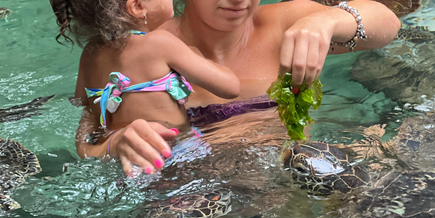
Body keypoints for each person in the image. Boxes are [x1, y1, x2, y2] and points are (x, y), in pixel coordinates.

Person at [73, 0, 401, 174]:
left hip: (295, 192)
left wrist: (326, 21)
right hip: (197, 208)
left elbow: (387, 23)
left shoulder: (283, 25)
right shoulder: (140, 54)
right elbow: (89, 138)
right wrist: (114, 144)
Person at [50, 0, 241, 174]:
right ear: (137, 6)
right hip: (175, 154)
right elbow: (230, 87)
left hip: (122, 163)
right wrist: (195, 54)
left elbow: (82, 106)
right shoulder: (160, 43)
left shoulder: (89, 53)